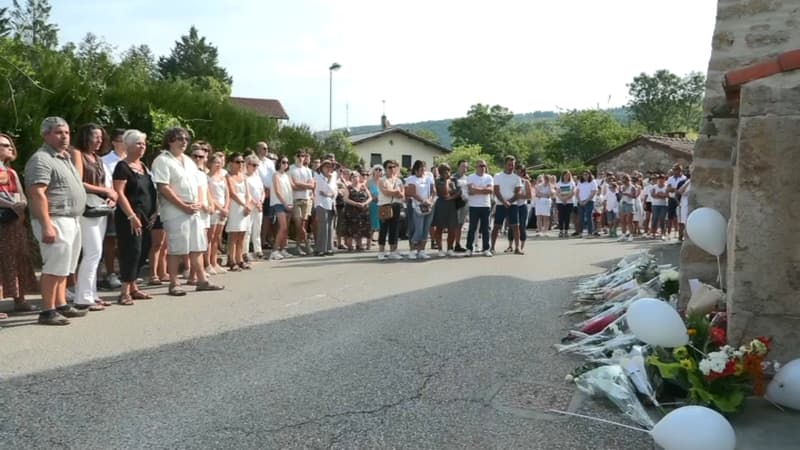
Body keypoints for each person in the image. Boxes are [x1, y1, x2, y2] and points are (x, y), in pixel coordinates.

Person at [24, 117, 89, 325]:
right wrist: (46, 225)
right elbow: (36, 193)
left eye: (67, 133)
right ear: (46, 135)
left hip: (71, 219)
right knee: (54, 266)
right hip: (55, 219)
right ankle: (47, 311)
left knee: (65, 266)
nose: (64, 137)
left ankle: (61, 304)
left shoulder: (64, 157)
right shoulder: (41, 159)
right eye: (59, 133)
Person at [151, 127, 222, 296]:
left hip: (193, 208)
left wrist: (197, 203)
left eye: (186, 139)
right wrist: (183, 205)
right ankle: (174, 283)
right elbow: (163, 187)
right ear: (170, 141)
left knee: (197, 246)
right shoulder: (162, 160)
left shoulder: (189, 161)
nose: (183, 142)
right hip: (175, 209)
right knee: (177, 247)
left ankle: (202, 280)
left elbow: (197, 184)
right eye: (179, 139)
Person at [72, 123, 117, 311]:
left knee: (95, 254)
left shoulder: (98, 158)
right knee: (92, 252)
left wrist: (112, 196)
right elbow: (78, 181)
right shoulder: (77, 154)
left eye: (101, 137)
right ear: (85, 137)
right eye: (95, 137)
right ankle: (83, 297)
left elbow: (109, 185)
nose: (99, 140)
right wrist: (105, 190)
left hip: (101, 208)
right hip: (86, 208)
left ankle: (92, 294)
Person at [112, 130, 157, 305]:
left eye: (144, 144)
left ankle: (134, 287)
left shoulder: (144, 166)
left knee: (143, 250)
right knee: (131, 251)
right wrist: (131, 215)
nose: (142, 147)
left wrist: (154, 212)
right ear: (128, 145)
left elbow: (150, 191)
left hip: (147, 216)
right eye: (138, 143)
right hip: (130, 216)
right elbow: (119, 193)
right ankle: (124, 292)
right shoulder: (122, 167)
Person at [0, 134, 39, 314]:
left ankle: (20, 299)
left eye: (9, 145)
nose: (8, 148)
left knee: (19, 258)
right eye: (3, 145)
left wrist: (21, 205)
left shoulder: (12, 172)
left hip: (15, 222)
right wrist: (11, 205)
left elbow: (21, 194)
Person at [99, 128, 127, 291]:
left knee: (126, 241)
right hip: (114, 202)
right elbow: (106, 182)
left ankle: (127, 272)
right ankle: (110, 273)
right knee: (111, 240)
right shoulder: (105, 160)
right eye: (123, 140)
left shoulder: (135, 160)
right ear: (115, 142)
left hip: (132, 204)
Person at [225, 152, 252, 270]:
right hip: (235, 206)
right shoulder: (228, 176)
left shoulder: (243, 176)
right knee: (234, 233)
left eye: (242, 162)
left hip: (245, 206)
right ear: (231, 163)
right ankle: (231, 259)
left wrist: (248, 204)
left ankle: (239, 258)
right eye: (237, 162)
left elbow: (248, 192)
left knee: (242, 233)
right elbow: (232, 193)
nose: (240, 164)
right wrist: (243, 205)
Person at [491, 156, 523, 254]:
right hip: (501, 204)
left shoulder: (517, 178)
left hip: (513, 205)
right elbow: (496, 191)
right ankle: (492, 247)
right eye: (509, 165)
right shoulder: (497, 176)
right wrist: (504, 202)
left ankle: (517, 248)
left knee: (515, 226)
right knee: (497, 226)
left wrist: (510, 201)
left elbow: (518, 193)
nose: (511, 167)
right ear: (504, 164)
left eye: (512, 165)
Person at [406, 160, 435, 260]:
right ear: (416, 169)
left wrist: (430, 200)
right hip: (418, 207)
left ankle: (421, 250)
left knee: (425, 230)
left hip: (428, 206)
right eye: (421, 168)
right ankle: (412, 250)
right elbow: (412, 193)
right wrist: (423, 201)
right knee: (418, 229)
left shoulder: (429, 178)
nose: (423, 170)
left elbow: (433, 191)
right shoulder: (411, 179)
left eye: (424, 168)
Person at [376, 160, 405, 260]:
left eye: (393, 167)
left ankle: (393, 251)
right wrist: (396, 192)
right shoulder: (382, 180)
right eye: (389, 167)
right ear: (385, 169)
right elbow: (385, 192)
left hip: (396, 205)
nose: (392, 169)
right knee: (383, 229)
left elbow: (402, 194)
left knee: (394, 229)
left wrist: (396, 192)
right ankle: (381, 251)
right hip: (384, 206)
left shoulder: (398, 180)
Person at [465, 159, 494, 257]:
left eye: (484, 166)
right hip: (474, 206)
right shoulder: (471, 177)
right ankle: (469, 248)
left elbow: (490, 190)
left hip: (485, 205)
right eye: (480, 166)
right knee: (472, 228)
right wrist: (483, 189)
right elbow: (471, 189)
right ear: (476, 167)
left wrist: (477, 189)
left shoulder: (489, 177)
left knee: (486, 228)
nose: (483, 168)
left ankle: (486, 248)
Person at [288, 150, 315, 255]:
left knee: (303, 225)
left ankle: (298, 246)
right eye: (299, 155)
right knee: (299, 224)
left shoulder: (308, 170)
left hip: (306, 199)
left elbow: (311, 185)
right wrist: (305, 186)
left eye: (303, 156)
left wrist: (299, 184)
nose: (301, 158)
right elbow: (292, 186)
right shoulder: (290, 169)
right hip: (295, 199)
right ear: (295, 156)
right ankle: (307, 244)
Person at [206, 152, 229, 274]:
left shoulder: (223, 177)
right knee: (210, 237)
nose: (218, 165)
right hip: (214, 210)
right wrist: (220, 209)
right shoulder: (207, 177)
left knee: (216, 238)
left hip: (223, 210)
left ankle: (214, 262)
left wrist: (226, 207)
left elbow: (227, 194)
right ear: (210, 163)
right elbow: (209, 195)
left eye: (220, 163)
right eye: (216, 162)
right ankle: (207, 263)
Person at [431, 164, 460, 257]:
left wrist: (452, 197)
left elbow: (459, 191)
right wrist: (447, 181)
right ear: (440, 172)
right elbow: (444, 191)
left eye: (448, 170)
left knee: (452, 228)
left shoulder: (454, 180)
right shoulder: (437, 181)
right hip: (441, 205)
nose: (448, 173)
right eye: (445, 171)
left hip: (451, 205)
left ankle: (450, 248)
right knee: (439, 227)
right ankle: (440, 249)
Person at [342, 170, 372, 251]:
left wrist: (365, 203)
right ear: (351, 178)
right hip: (352, 211)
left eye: (357, 176)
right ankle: (350, 246)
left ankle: (359, 245)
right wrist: (355, 203)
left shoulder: (363, 186)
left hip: (363, 210)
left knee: (361, 228)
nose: (355, 178)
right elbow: (345, 198)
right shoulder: (348, 187)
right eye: (353, 177)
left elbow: (370, 197)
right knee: (351, 229)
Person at [270, 155, 293, 260]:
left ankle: (283, 249)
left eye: (287, 162)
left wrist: (290, 204)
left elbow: (290, 189)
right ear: (279, 163)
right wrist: (284, 204)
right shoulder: (276, 175)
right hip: (279, 203)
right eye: (283, 162)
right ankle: (274, 250)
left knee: (285, 228)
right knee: (282, 226)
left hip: (288, 203)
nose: (285, 164)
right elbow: (278, 191)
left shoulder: (287, 176)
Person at [313, 159, 337, 256]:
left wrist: (330, 194)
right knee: (323, 226)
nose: (328, 169)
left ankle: (328, 248)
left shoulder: (332, 177)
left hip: (330, 203)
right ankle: (320, 249)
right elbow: (324, 189)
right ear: (322, 168)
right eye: (326, 167)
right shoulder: (318, 177)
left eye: (330, 167)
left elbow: (334, 191)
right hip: (321, 204)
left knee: (330, 227)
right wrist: (329, 192)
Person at [244, 154, 266, 259]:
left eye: (257, 165)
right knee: (248, 229)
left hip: (259, 206)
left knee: (257, 229)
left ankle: (258, 250)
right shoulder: (245, 177)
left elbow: (262, 191)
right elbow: (247, 193)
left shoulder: (257, 177)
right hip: (250, 205)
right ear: (247, 165)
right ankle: (245, 251)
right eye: (253, 165)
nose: (255, 167)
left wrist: (261, 201)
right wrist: (255, 203)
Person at [451, 159, 469, 252]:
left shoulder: (467, 178)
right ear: (458, 167)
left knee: (461, 224)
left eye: (466, 167)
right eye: (463, 166)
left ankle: (457, 244)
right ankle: (451, 244)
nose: (464, 168)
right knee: (455, 224)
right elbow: (452, 190)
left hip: (465, 203)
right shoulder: (453, 177)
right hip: (456, 203)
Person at [575, 171, 598, 237]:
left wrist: (586, 201)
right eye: (584, 175)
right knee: (581, 217)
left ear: (589, 175)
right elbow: (577, 192)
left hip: (589, 202)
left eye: (586, 174)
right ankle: (580, 233)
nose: (585, 176)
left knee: (589, 217)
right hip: (580, 202)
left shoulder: (593, 182)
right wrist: (579, 201)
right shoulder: (580, 182)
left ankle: (590, 233)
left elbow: (594, 192)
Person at [555, 171, 576, 238]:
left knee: (567, 217)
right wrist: (562, 199)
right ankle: (561, 231)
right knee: (561, 217)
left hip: (569, 202)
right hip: (560, 202)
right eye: (565, 175)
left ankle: (566, 231)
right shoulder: (559, 183)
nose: (566, 176)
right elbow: (557, 192)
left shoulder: (572, 183)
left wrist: (566, 199)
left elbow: (572, 192)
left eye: (568, 175)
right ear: (563, 176)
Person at [649, 173, 669, 240]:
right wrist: (661, 195)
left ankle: (663, 233)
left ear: (664, 180)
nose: (661, 181)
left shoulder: (666, 186)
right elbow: (653, 195)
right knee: (654, 218)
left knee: (662, 219)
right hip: (655, 205)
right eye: (659, 180)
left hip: (663, 205)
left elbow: (666, 195)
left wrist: (659, 195)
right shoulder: (654, 186)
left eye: (662, 179)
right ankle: (653, 233)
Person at [534, 174, 553, 238]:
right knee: (539, 217)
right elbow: (537, 194)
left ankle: (545, 231)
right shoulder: (538, 185)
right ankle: (539, 231)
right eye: (545, 179)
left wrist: (543, 194)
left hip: (546, 203)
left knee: (546, 217)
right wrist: (545, 195)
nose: (546, 180)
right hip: (539, 202)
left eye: (548, 179)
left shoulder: (550, 186)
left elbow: (550, 194)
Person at [367, 165, 382, 243]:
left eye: (380, 169)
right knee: (372, 221)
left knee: (381, 221)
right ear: (373, 171)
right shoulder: (369, 181)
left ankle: (381, 239)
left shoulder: (382, 181)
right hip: (372, 204)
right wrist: (372, 197)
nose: (378, 171)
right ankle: (370, 240)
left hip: (381, 204)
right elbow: (367, 192)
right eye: (376, 169)